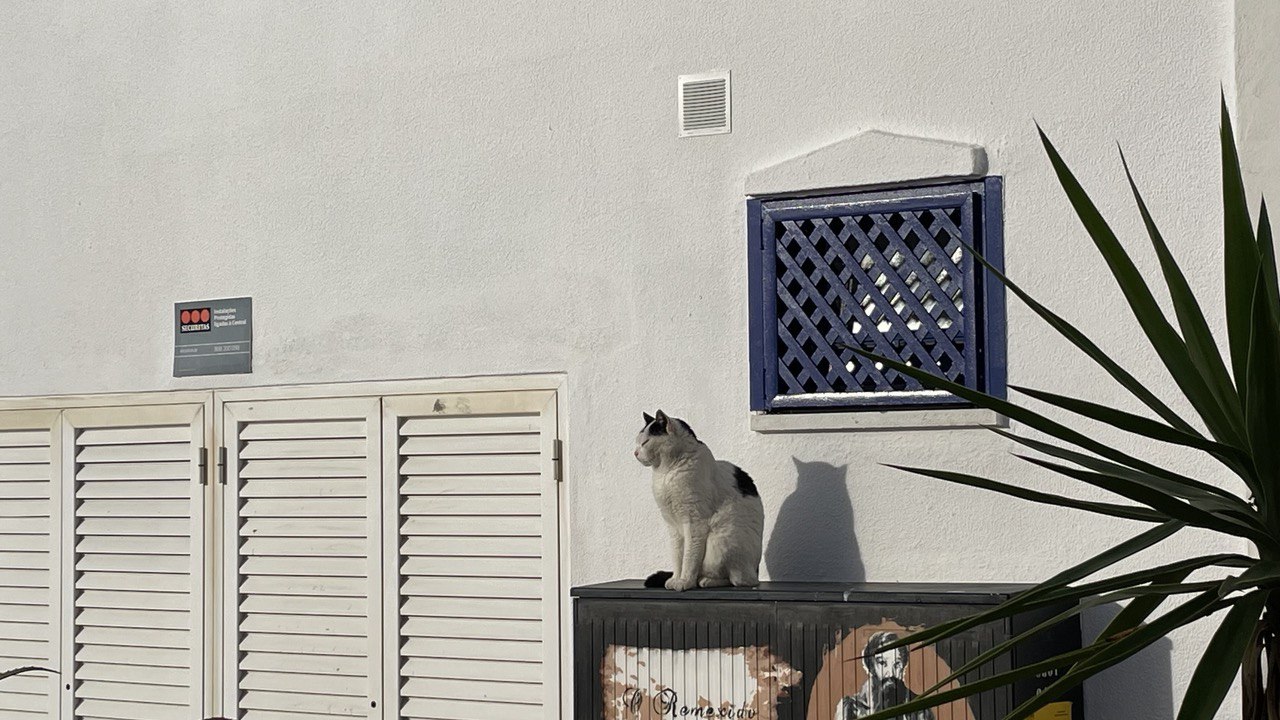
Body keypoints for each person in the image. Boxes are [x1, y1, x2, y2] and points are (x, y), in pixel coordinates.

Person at [834, 631, 934, 720]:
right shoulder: (851, 708)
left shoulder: (919, 708)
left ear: (904, 665)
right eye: (882, 663)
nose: (890, 672)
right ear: (871, 666)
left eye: (897, 664)